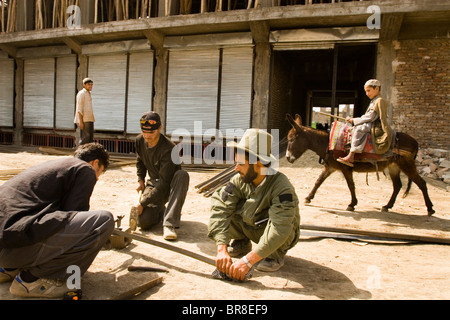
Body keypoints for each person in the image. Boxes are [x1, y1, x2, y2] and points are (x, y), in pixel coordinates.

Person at [0, 143, 114, 299]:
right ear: (95, 163)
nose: (96, 178)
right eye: (99, 173)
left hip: (7, 246)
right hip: (12, 247)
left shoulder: (56, 166)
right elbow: (74, 214)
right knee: (103, 221)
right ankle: (31, 281)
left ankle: (9, 269)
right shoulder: (85, 169)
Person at [208, 129, 300, 281]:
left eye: (240, 164)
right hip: (252, 227)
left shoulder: (282, 187)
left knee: (284, 225)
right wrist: (221, 248)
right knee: (225, 203)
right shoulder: (239, 180)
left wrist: (247, 261)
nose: (236, 168)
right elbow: (220, 208)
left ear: (258, 165)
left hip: (274, 233)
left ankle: (274, 255)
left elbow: (280, 227)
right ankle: (242, 243)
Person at [130, 111, 189, 241]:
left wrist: (143, 203)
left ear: (159, 128)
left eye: (151, 132)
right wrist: (140, 179)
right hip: (154, 184)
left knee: (182, 175)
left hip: (170, 186)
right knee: (143, 223)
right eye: (144, 132)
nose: (147, 136)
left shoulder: (169, 148)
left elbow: (164, 183)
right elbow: (140, 160)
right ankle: (162, 211)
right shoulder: (140, 140)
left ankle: (169, 224)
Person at [337, 79, 393, 167]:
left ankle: (351, 155)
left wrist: (354, 120)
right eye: (366, 91)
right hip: (372, 122)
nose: (367, 93)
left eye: (368, 90)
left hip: (376, 124)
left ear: (377, 88)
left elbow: (371, 117)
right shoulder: (374, 101)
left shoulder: (379, 101)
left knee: (360, 129)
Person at [74, 78, 95, 146]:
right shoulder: (81, 94)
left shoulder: (88, 93)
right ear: (84, 85)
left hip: (89, 119)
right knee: (84, 139)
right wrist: (80, 121)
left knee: (89, 139)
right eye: (88, 84)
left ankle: (88, 155)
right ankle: (80, 154)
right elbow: (79, 109)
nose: (90, 86)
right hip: (84, 120)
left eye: (91, 85)